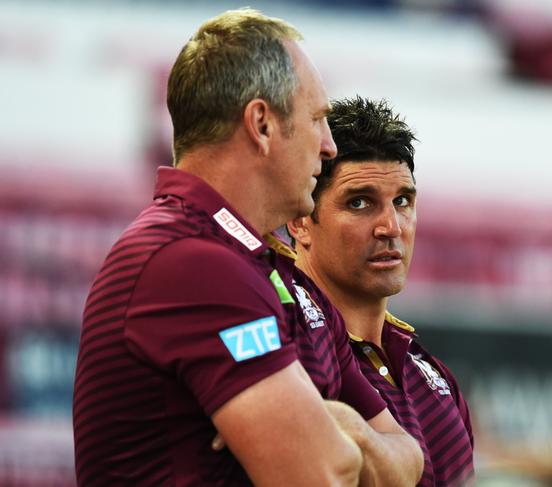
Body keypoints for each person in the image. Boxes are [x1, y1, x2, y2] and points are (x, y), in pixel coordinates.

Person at [72, 9, 423, 487]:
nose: (330, 146)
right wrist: (339, 436)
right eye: (317, 118)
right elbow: (320, 473)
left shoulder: (255, 267)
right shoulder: (192, 261)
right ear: (261, 123)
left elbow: (409, 460)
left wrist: (336, 424)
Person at [288, 96, 475, 486]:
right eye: (360, 203)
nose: (391, 226)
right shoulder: (284, 350)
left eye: (402, 201)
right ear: (300, 221)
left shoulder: (434, 379)